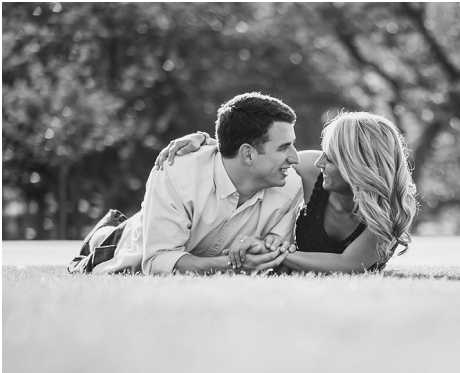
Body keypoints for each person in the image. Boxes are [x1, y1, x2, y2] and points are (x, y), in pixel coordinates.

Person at [68, 92, 302, 275]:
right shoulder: (177, 171)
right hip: (127, 245)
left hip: (176, 233)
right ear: (248, 154)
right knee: (104, 240)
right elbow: (158, 260)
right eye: (283, 148)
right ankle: (106, 229)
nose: (295, 158)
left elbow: (275, 249)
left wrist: (265, 250)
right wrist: (232, 265)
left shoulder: (291, 187)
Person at [156, 110, 417, 274]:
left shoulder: (391, 209)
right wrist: (203, 140)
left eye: (331, 158)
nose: (319, 162)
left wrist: (271, 254)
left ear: (358, 166)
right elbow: (256, 154)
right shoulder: (313, 172)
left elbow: (348, 264)